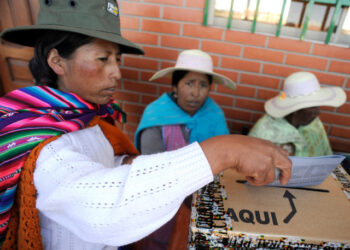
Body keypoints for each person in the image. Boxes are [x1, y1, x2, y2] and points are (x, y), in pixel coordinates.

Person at [0, 0, 291, 249]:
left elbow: (101, 161)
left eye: (117, 59)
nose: (115, 72)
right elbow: (104, 206)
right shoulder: (45, 144)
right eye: (103, 59)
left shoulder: (87, 119)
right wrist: (222, 151)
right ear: (57, 61)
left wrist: (124, 162)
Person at [133, 49, 235, 249]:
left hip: (202, 205)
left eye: (203, 85)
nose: (196, 93)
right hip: (162, 205)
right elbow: (152, 168)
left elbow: (226, 163)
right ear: (175, 86)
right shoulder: (156, 116)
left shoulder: (214, 116)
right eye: (189, 83)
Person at [249, 71, 346, 157]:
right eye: (313, 107)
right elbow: (249, 160)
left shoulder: (315, 123)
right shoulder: (264, 129)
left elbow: (327, 156)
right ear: (295, 110)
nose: (318, 112)